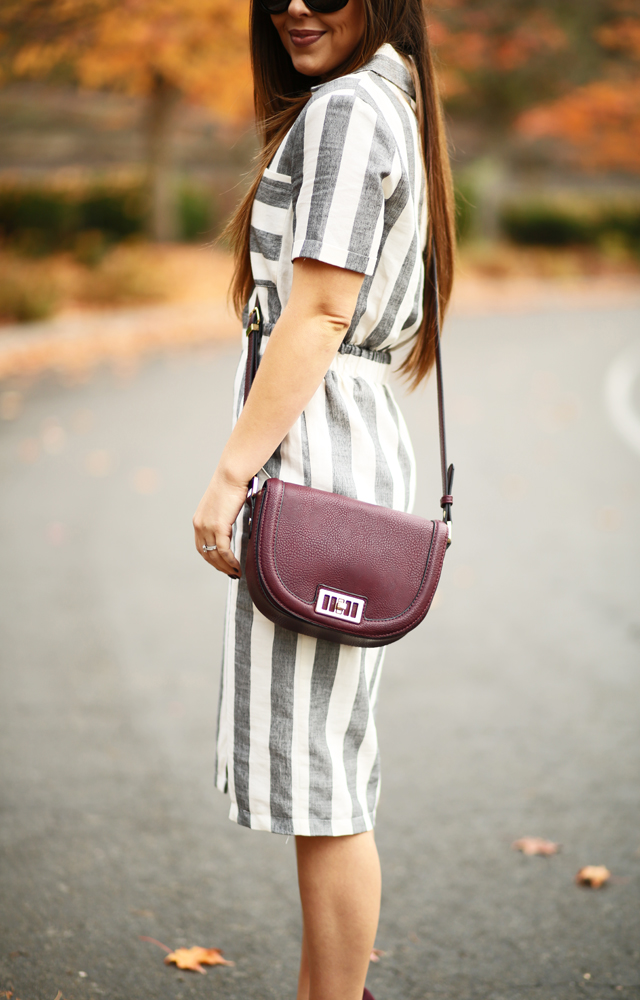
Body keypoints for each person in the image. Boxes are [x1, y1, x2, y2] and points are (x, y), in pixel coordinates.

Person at [193, 0, 455, 996]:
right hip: (348, 444)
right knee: (324, 769)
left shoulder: (349, 108)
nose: (295, 3)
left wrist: (231, 470)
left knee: (324, 782)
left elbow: (318, 310)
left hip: (317, 462)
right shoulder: (391, 100)